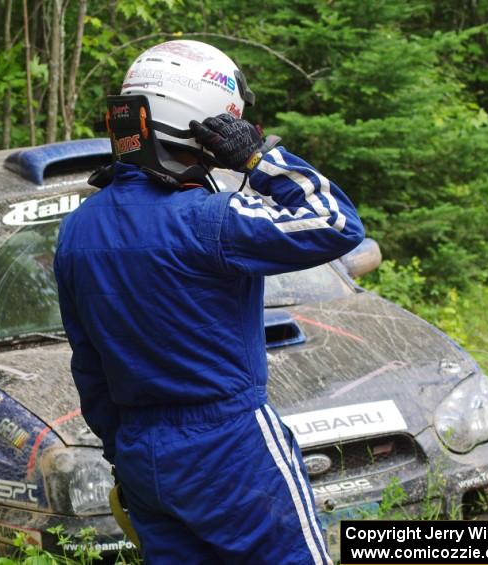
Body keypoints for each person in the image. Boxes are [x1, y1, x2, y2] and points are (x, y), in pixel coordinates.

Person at [54, 40, 364, 564]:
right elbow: (336, 222)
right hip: (229, 445)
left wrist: (125, 454)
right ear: (207, 125)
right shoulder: (208, 220)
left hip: (139, 453)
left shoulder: (78, 232)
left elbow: (89, 367)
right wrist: (260, 159)